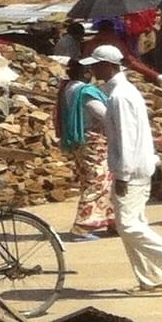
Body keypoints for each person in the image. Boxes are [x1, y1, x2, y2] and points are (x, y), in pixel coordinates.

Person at [95, 45, 162, 296]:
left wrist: (123, 175)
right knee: (133, 224)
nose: (94, 70)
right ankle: (152, 280)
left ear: (110, 66)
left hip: (132, 169)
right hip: (137, 165)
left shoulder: (120, 97)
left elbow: (126, 138)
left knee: (127, 226)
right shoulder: (124, 92)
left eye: (97, 65)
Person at [57, 53, 115, 238]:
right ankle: (83, 225)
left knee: (99, 180)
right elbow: (102, 114)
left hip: (81, 142)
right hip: (94, 142)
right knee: (99, 181)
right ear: (86, 72)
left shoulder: (67, 88)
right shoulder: (85, 92)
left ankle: (112, 220)